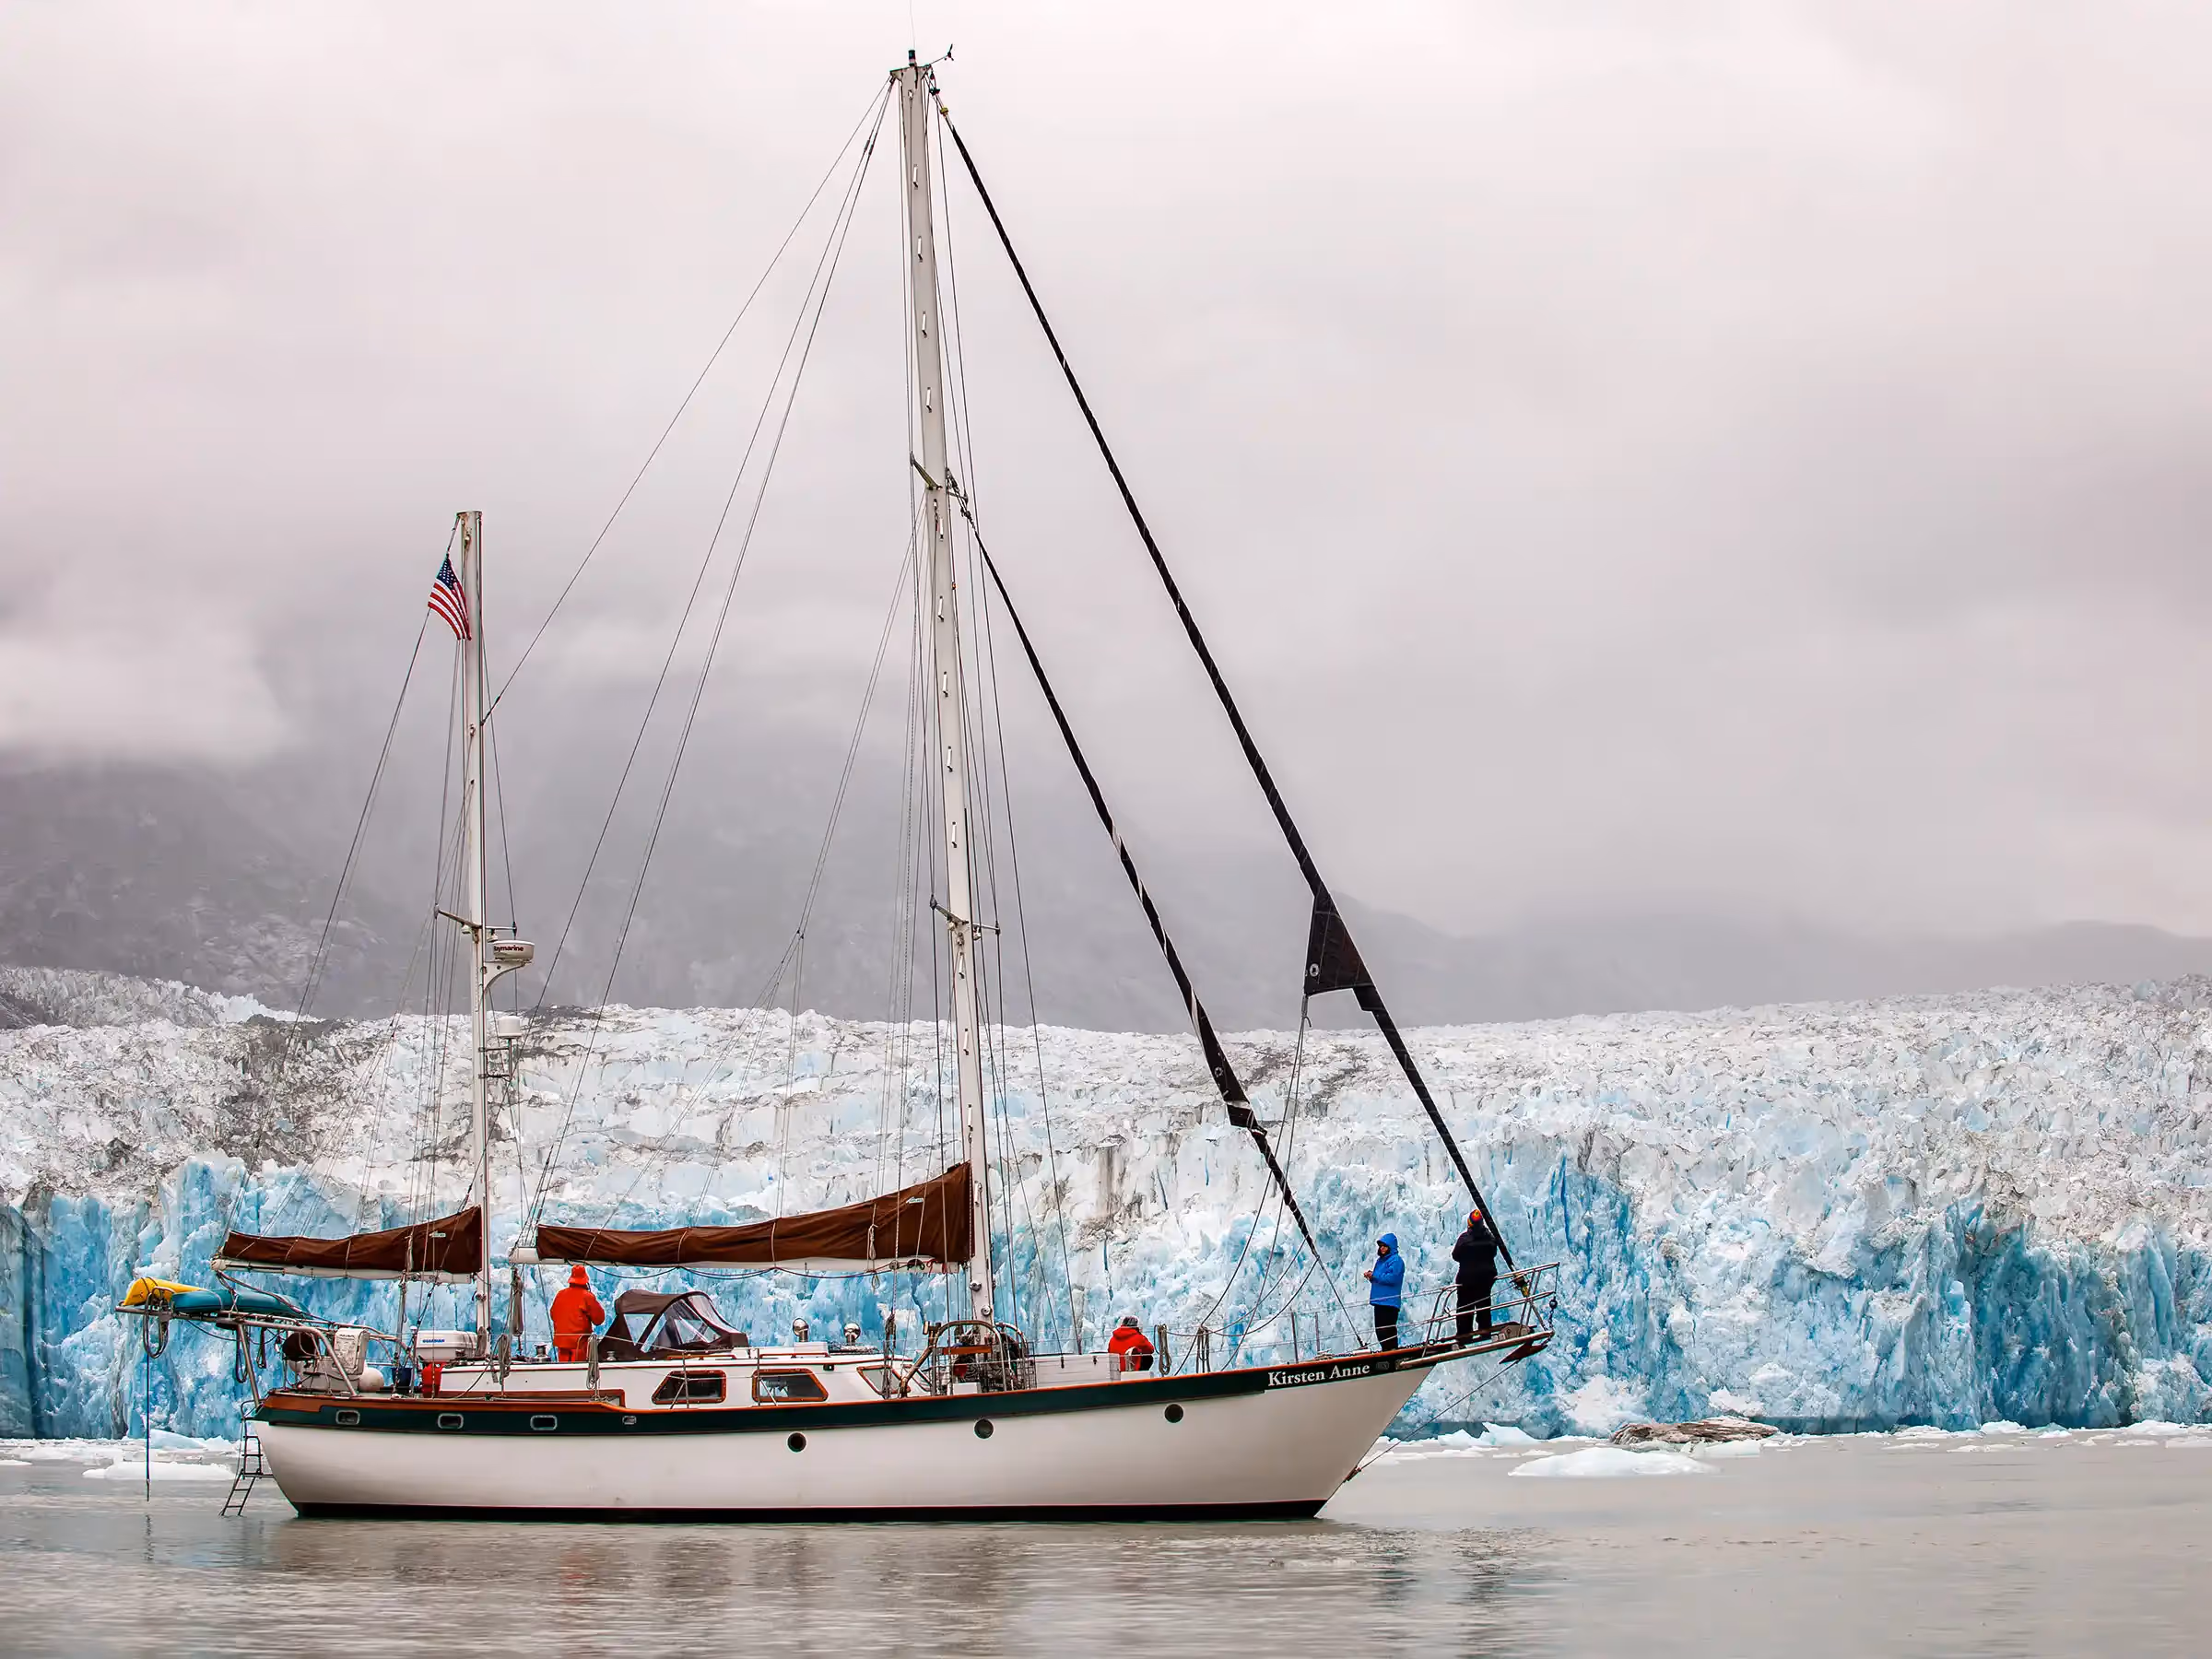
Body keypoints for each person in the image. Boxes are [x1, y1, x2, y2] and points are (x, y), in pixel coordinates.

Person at [1453, 1206, 1501, 1343]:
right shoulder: (1490, 1238)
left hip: (1467, 1280)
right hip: (1486, 1279)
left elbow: (1455, 1255)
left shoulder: (1464, 1239)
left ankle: (1464, 1335)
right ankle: (1485, 1331)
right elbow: (1493, 1252)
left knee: (1465, 1308)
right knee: (1484, 1305)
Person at [549, 1265, 605, 1363]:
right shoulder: (587, 1297)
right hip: (579, 1344)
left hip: (562, 1342)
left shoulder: (560, 1295)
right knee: (578, 1369)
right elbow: (599, 1319)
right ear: (585, 1281)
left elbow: (553, 1314)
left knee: (564, 1369)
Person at [1364, 1234, 1406, 1350]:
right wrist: (1371, 1276)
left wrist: (1375, 1275)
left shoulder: (1396, 1261)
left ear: (1391, 1247)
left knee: (1388, 1330)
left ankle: (1392, 1353)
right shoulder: (1380, 1261)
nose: (1382, 1248)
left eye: (1385, 1246)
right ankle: (1387, 1352)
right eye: (1381, 1246)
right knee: (1380, 1331)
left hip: (1389, 1302)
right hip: (1379, 1301)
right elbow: (1380, 1278)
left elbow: (1392, 1278)